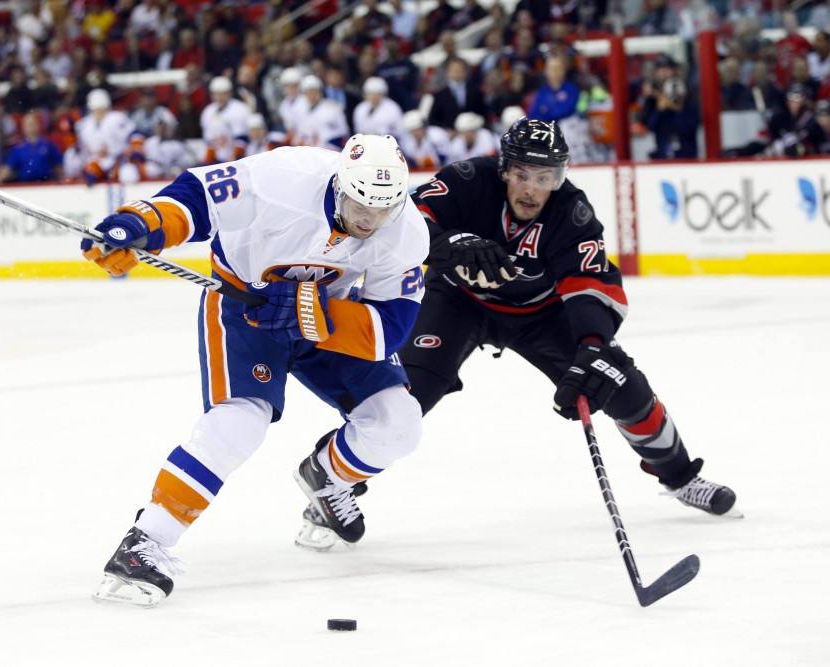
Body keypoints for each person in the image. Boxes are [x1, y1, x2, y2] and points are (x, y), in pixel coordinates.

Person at [295, 118, 739, 551]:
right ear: (505, 168)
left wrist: (592, 347)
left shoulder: (572, 212)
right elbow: (403, 219)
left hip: (541, 314)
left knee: (619, 381)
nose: (532, 189)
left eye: (545, 177)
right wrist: (447, 243)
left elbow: (591, 286)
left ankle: (682, 477)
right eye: (523, 174)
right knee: (402, 398)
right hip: (457, 300)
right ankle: (334, 483)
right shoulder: (467, 179)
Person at [81, 133, 429, 605]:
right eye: (359, 205)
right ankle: (145, 541)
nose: (369, 220)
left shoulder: (406, 230)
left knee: (398, 424)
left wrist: (310, 311)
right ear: (339, 186)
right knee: (241, 421)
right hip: (244, 308)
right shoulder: (282, 178)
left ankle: (327, 477)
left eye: (382, 210)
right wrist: (140, 223)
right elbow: (199, 197)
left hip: (332, 315)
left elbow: (389, 329)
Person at [0, 111, 63, 185]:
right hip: (25, 185)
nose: (30, 128)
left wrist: (62, 181)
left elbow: (58, 167)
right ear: (23, 128)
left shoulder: (48, 144)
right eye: (27, 125)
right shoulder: (18, 148)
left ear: (38, 125)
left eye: (32, 124)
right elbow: (7, 168)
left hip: (46, 184)